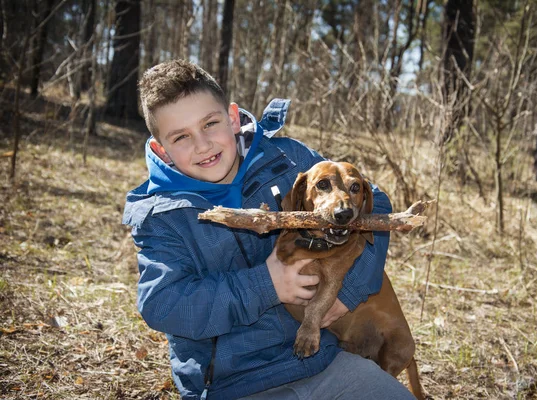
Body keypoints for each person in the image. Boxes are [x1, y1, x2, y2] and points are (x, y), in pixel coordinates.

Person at [122, 59, 414, 400]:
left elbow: (374, 203)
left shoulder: (286, 160)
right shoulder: (162, 216)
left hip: (327, 362)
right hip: (236, 385)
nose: (203, 145)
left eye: (210, 123)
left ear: (232, 118)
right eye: (181, 137)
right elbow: (163, 304)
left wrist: (347, 292)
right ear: (162, 149)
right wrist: (267, 285)